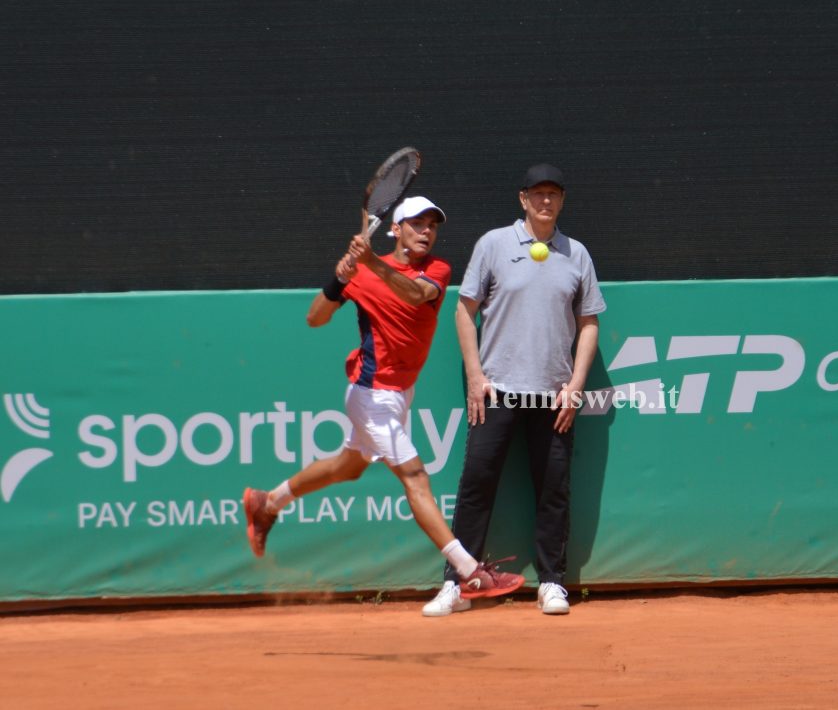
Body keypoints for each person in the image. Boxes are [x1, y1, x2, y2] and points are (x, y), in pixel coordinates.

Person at [243, 195, 524, 606]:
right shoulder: (363, 272)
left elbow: (413, 295)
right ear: (397, 229)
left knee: (348, 466)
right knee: (415, 477)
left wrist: (369, 262)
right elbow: (315, 317)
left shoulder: (437, 270)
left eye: (433, 225)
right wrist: (340, 278)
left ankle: (267, 502)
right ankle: (470, 572)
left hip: (398, 393)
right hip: (370, 395)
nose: (427, 231)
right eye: (417, 224)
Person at [422, 164, 606, 617]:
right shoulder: (493, 245)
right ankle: (459, 583)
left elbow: (588, 323)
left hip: (553, 395)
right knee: (476, 486)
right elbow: (465, 312)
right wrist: (475, 376)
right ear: (523, 199)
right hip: (498, 391)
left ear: (562, 201)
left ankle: (551, 583)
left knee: (553, 490)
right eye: (538, 194)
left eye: (554, 194)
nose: (546, 201)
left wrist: (576, 386)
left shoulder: (576, 254)